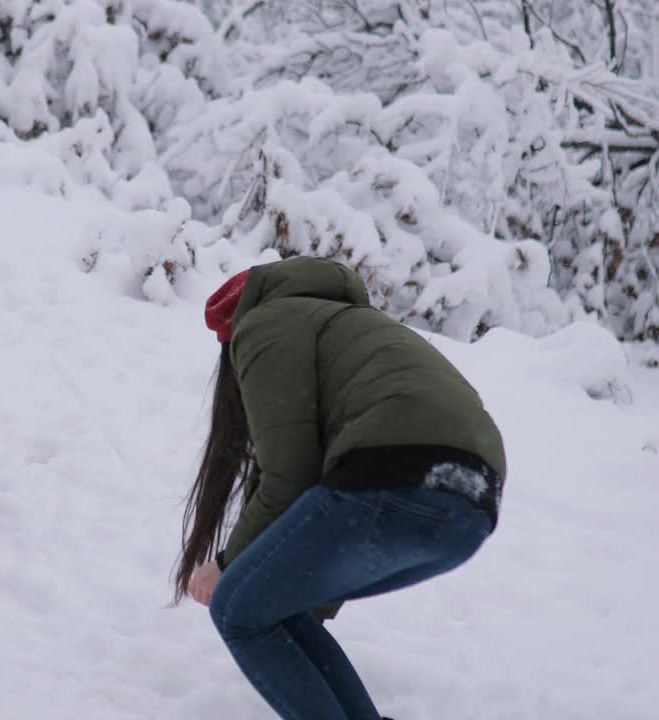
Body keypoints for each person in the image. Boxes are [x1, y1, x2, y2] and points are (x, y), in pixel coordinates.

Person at [172, 256, 506, 720]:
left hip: (396, 471)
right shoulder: (352, 325)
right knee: (268, 605)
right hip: (471, 502)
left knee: (237, 611)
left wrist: (228, 564)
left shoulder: (266, 324)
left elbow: (289, 474)